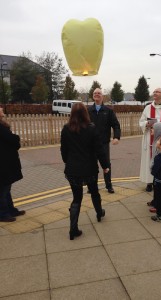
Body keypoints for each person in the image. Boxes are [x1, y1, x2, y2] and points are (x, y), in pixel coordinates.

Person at [60, 102, 110, 240]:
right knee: (94, 192)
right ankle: (99, 213)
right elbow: (100, 150)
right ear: (85, 114)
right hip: (89, 169)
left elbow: (63, 150)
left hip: (72, 169)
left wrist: (67, 161)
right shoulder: (91, 128)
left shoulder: (66, 129)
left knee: (77, 198)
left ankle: (73, 229)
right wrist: (105, 166)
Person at [139, 88, 161, 192]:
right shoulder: (147, 108)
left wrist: (159, 126)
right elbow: (141, 121)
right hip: (148, 138)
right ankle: (149, 182)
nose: (155, 93)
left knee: (160, 160)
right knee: (148, 160)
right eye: (154, 92)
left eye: (157, 92)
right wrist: (146, 124)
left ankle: (158, 181)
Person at [88, 88, 121, 193]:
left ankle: (109, 185)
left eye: (99, 93)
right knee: (91, 165)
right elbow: (82, 125)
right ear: (93, 96)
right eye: (95, 93)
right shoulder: (88, 110)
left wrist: (116, 137)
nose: (97, 94)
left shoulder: (108, 111)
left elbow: (116, 125)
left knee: (106, 164)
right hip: (91, 144)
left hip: (103, 143)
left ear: (102, 96)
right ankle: (92, 186)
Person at [0, 106, 25, 222]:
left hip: (6, 162)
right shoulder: (1, 127)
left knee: (7, 187)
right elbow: (13, 139)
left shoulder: (2, 125)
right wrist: (16, 138)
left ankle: (10, 210)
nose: (2, 110)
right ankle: (3, 214)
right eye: (0, 109)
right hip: (3, 163)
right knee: (3, 189)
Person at [147, 122, 161, 209]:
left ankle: (158, 205)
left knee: (159, 189)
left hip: (159, 171)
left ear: (158, 131)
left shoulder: (159, 143)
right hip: (157, 170)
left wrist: (153, 167)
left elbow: (158, 158)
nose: (151, 130)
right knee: (156, 187)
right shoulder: (157, 140)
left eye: (153, 129)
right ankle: (155, 201)